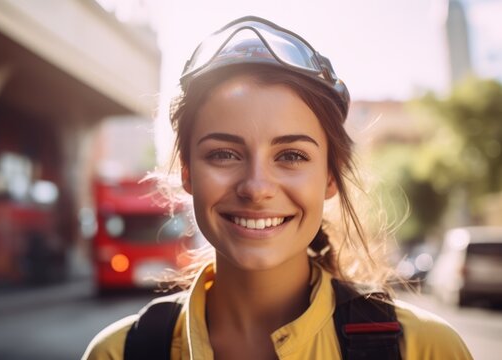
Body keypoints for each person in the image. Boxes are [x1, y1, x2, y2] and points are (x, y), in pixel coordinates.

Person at [83, 16, 473, 360]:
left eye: (291, 156)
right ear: (187, 172)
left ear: (331, 177)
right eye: (223, 154)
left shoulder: (426, 349)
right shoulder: (117, 353)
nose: (256, 187)